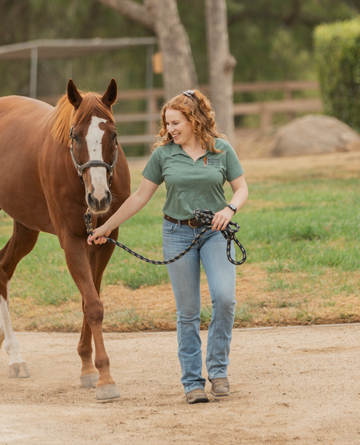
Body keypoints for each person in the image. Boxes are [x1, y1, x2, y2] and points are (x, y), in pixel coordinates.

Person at [87, 89, 249, 404]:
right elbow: (138, 197)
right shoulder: (163, 154)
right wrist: (105, 227)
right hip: (177, 233)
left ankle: (218, 370)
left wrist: (229, 209)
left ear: (193, 119)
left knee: (225, 299)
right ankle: (192, 383)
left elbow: (241, 188)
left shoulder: (221, 149)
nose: (170, 129)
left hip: (215, 233)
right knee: (188, 312)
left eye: (175, 122)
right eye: (167, 124)